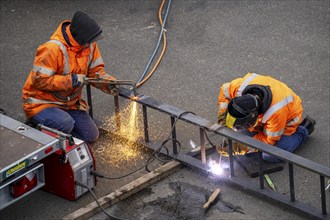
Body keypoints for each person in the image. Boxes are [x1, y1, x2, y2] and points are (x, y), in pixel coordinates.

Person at [22, 11, 118, 143]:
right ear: (80, 38)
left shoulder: (88, 44)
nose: (92, 44)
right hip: (42, 104)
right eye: (89, 41)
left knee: (91, 135)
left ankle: (59, 130)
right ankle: (37, 127)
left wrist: (108, 83)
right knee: (65, 124)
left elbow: (95, 71)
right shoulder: (52, 49)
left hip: (68, 103)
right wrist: (71, 80)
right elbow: (40, 81)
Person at [217, 72, 316, 163]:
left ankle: (304, 130)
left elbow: (268, 141)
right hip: (267, 115)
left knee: (269, 155)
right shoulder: (239, 88)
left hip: (286, 122)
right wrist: (223, 117)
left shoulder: (276, 112)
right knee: (243, 137)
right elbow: (224, 92)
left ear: (253, 118)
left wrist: (240, 149)